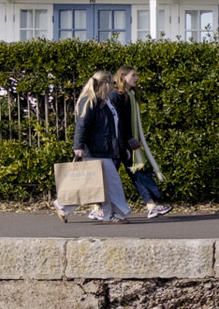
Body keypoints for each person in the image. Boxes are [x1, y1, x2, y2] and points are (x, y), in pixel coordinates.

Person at [55, 71, 131, 224]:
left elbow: (114, 128)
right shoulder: (90, 101)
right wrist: (78, 145)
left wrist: (122, 147)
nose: (113, 86)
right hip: (96, 149)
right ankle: (116, 214)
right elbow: (82, 124)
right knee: (111, 183)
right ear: (105, 84)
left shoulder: (105, 101)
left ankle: (63, 205)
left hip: (104, 149)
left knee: (98, 184)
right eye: (111, 83)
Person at [111, 65, 171, 219]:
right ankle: (86, 207)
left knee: (137, 173)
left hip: (125, 142)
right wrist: (127, 139)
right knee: (109, 177)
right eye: (133, 75)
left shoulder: (128, 95)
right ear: (123, 77)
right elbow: (118, 122)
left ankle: (151, 206)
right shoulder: (116, 96)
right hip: (118, 144)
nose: (136, 79)